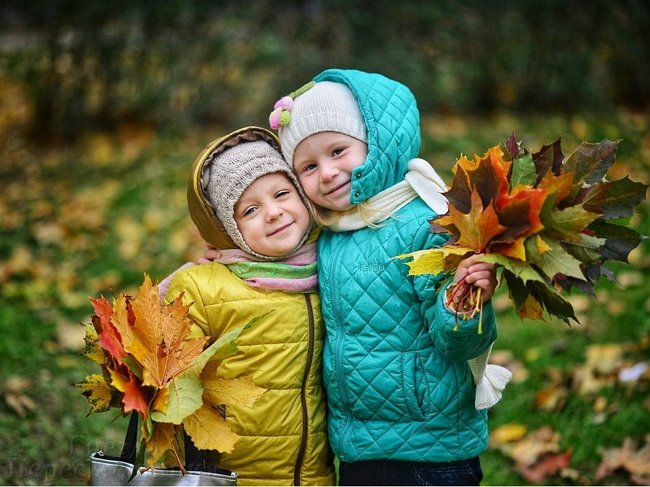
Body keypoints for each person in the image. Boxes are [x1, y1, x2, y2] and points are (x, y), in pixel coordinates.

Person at [266, 69, 512, 486]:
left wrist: (466, 298)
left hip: (429, 447)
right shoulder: (328, 231)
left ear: (375, 143)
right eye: (308, 166)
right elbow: (273, 254)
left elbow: (459, 343)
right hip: (358, 445)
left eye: (338, 151)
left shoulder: (425, 224)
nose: (326, 172)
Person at [163, 126, 335, 486]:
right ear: (228, 227)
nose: (273, 212)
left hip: (315, 473)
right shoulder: (201, 287)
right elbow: (166, 385)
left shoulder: (333, 269)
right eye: (251, 209)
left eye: (282, 193)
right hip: (227, 473)